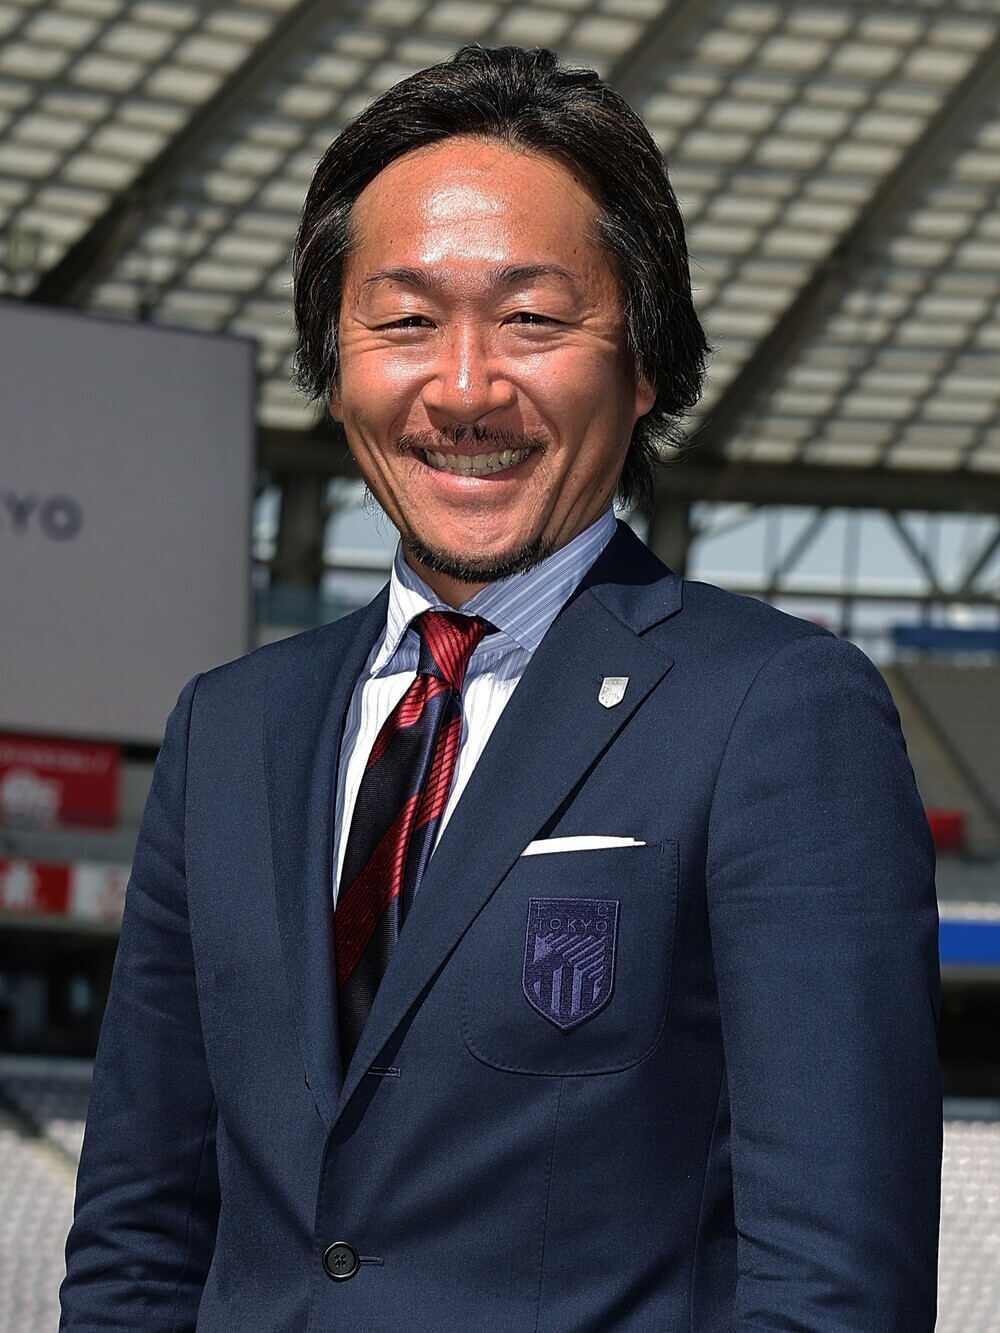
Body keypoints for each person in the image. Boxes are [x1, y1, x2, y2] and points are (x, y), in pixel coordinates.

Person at [60, 45, 941, 1332]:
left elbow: (834, 1282)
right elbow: (140, 1236)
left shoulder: (778, 711)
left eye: (532, 320)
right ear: (333, 362)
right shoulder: (229, 727)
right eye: (405, 321)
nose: (465, 389)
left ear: (643, 366)